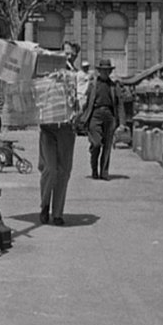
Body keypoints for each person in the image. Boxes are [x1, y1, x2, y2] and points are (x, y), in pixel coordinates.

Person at [37, 67, 78, 226]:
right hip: (48, 128)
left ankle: (58, 213)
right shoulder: (44, 80)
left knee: (64, 171)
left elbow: (78, 103)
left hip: (66, 129)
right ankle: (45, 203)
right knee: (50, 169)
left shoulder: (74, 79)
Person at [79, 59, 127, 181]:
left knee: (107, 146)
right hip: (95, 114)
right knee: (96, 143)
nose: (105, 73)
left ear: (109, 72)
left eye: (107, 71)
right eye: (103, 71)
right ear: (99, 71)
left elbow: (120, 104)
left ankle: (104, 172)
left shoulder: (113, 86)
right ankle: (94, 169)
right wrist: (82, 117)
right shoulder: (93, 85)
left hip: (109, 115)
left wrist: (122, 123)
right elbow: (86, 102)